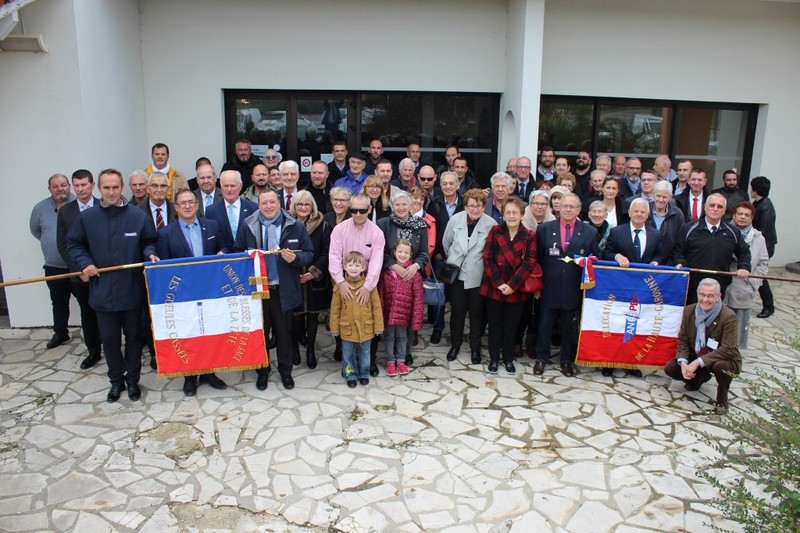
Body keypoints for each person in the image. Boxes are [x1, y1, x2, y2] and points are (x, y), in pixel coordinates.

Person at [66, 169, 159, 403]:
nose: (111, 192)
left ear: (121, 188)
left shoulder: (137, 216)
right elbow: (74, 244)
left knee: (134, 339)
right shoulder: (87, 218)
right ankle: (116, 382)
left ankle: (132, 381)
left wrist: (150, 254)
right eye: (106, 188)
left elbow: (149, 240)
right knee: (110, 341)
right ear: (99, 188)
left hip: (131, 291)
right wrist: (85, 263)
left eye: (115, 187)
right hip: (102, 293)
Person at [234, 189, 315, 391]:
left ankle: (285, 371)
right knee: (261, 333)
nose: (268, 206)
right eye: (264, 203)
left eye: (272, 202)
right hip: (258, 289)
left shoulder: (295, 226)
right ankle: (263, 371)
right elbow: (237, 253)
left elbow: (309, 253)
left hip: (283, 289)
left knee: (284, 333)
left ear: (279, 202)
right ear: (258, 205)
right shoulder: (248, 225)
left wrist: (296, 259)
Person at [156, 188, 229, 396]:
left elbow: (224, 245)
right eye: (183, 203)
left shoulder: (212, 226)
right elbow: (165, 267)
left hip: (210, 292)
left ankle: (209, 372)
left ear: (197, 205)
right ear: (176, 207)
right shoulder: (166, 233)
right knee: (189, 334)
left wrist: (223, 252)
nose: (188, 206)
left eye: (191, 202)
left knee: (209, 332)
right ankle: (190, 377)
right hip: (184, 296)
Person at [535, 192, 599, 377]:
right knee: (544, 324)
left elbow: (593, 261)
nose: (568, 209)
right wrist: (538, 285)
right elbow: (539, 260)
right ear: (558, 208)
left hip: (574, 288)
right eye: (565, 206)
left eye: (572, 206)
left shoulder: (590, 232)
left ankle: (566, 360)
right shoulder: (544, 229)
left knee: (569, 327)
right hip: (549, 286)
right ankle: (541, 358)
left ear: (579, 209)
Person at [602, 198, 663, 378]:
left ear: (647, 214)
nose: (638, 214)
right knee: (616, 325)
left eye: (642, 212)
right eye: (635, 211)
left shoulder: (655, 234)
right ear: (629, 212)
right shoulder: (616, 232)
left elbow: (659, 254)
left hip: (642, 290)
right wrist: (617, 256)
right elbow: (606, 252)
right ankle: (609, 362)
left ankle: (630, 363)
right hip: (620, 288)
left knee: (636, 327)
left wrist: (656, 262)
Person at [663, 279, 741, 414]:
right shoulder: (689, 311)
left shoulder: (729, 317)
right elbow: (683, 339)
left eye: (710, 296)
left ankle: (722, 400)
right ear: (697, 294)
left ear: (718, 297)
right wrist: (683, 362)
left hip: (721, 357)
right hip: (697, 353)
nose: (705, 299)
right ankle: (698, 379)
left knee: (721, 367)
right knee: (671, 368)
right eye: (702, 294)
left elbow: (728, 349)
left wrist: (698, 362)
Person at [329, 194, 386, 373]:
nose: (358, 214)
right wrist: (341, 283)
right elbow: (334, 257)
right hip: (343, 281)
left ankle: (369, 364)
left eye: (362, 210)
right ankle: (348, 367)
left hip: (368, 281)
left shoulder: (376, 232)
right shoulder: (339, 230)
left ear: (369, 209)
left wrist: (368, 287)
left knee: (368, 320)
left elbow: (377, 262)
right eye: (354, 210)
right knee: (344, 317)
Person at [480, 196, 537, 375]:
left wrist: (512, 285)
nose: (511, 216)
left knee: (511, 327)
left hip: (516, 288)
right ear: (503, 215)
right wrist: (499, 284)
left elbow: (529, 263)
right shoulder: (495, 231)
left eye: (515, 212)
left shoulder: (530, 236)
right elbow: (487, 259)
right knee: (495, 325)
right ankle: (494, 358)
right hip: (494, 286)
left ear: (521, 215)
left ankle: (508, 358)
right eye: (508, 212)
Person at [443, 189, 497, 363]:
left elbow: (493, 251)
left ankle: (475, 348)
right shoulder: (455, 219)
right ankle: (455, 345)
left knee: (476, 314)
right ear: (465, 206)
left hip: (478, 277)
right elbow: (446, 243)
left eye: (479, 205)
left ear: (484, 206)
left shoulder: (491, 224)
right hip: (457, 275)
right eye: (471, 205)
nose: (475, 209)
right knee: (457, 313)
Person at [56, 169, 103, 370]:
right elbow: (63, 245)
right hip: (80, 276)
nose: (81, 189)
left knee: (109, 313)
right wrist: (80, 269)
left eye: (84, 184)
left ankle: (114, 347)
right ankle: (93, 351)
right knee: (88, 314)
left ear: (93, 185)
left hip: (104, 271)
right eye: (77, 185)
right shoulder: (66, 211)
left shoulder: (105, 206)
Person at [377, 191, 429, 361]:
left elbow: (424, 253)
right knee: (392, 316)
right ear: (392, 206)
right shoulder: (384, 224)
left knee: (408, 315)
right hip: (391, 277)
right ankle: (390, 355)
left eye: (404, 204)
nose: (401, 207)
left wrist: (416, 266)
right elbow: (380, 252)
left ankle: (405, 353)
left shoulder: (420, 225)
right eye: (397, 204)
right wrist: (393, 265)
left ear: (410, 205)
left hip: (411, 276)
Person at [672, 193, 751, 303]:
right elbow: (678, 250)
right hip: (692, 286)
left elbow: (744, 252)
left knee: (714, 319)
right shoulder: (688, 229)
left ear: (724, 210)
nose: (715, 209)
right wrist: (680, 262)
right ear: (705, 207)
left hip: (719, 286)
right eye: (712, 205)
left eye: (719, 206)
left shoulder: (733, 232)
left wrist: (744, 267)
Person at [30, 173, 76, 350]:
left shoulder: (77, 205)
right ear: (49, 188)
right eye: (55, 186)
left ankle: (95, 335)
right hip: (53, 266)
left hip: (76, 267)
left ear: (69, 186)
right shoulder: (40, 208)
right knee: (58, 302)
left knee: (87, 304)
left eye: (63, 185)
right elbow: (36, 231)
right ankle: (61, 333)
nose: (60, 189)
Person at [288, 190, 332, 369]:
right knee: (296, 318)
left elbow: (326, 252)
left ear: (312, 206)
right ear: (294, 206)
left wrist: (313, 273)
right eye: (300, 204)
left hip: (314, 280)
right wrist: (294, 273)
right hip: (294, 279)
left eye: (307, 204)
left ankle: (311, 350)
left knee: (312, 317)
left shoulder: (322, 225)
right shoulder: (287, 224)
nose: (303, 208)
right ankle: (295, 349)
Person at [329, 251, 384, 388]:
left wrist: (378, 327)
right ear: (345, 267)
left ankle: (364, 373)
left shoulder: (370, 286)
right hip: (347, 329)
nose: (353, 268)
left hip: (366, 328)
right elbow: (335, 309)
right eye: (350, 265)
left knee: (365, 353)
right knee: (348, 354)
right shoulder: (339, 287)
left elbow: (376, 307)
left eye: (357, 265)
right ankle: (350, 374)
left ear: (363, 268)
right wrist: (334, 329)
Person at [724, 201, 769, 348]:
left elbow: (763, 263)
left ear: (752, 218)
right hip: (723, 287)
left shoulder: (758, 238)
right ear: (734, 215)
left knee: (738, 331)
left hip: (744, 289)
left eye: (747, 215)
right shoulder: (724, 231)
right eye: (740, 214)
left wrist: (753, 283)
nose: (742, 217)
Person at [379, 239, 424, 377]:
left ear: (411, 255)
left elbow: (418, 298)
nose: (403, 255)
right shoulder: (387, 273)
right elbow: (381, 294)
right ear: (394, 252)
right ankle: (390, 361)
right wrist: (380, 314)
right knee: (389, 336)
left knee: (403, 337)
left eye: (406, 252)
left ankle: (401, 360)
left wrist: (416, 318)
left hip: (405, 315)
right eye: (400, 252)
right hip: (389, 313)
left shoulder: (414, 274)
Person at [411, 186, 444, 343]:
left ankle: (416, 331)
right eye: (415, 197)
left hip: (421, 266)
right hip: (402, 264)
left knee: (418, 301)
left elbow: (430, 246)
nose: (417, 201)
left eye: (421, 199)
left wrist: (415, 263)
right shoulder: (402, 215)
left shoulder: (429, 220)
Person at [205, 170, 259, 251]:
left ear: (240, 186)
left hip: (248, 259)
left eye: (232, 186)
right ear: (221, 186)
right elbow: (211, 240)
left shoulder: (253, 208)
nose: (229, 189)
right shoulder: (211, 211)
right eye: (226, 186)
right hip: (223, 260)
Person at [750, 176, 777, 318]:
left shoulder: (765, 206)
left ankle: (769, 306)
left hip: (764, 246)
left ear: (755, 190)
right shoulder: (758, 203)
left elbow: (763, 230)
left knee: (760, 276)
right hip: (761, 245)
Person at [648, 181, 685, 264]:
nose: (661, 200)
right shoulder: (644, 210)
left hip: (667, 263)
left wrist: (678, 262)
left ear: (670, 197)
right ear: (653, 194)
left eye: (664, 197)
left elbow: (679, 243)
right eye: (658, 196)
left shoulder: (677, 214)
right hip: (645, 262)